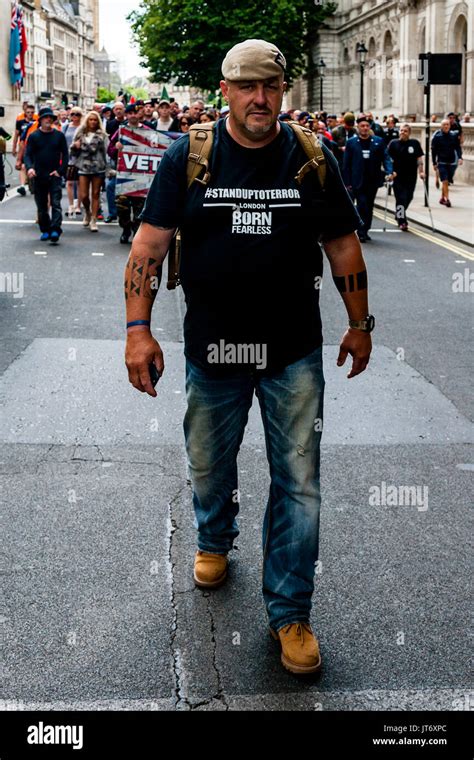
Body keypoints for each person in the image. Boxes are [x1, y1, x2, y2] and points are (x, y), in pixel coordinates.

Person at [124, 39, 373, 676]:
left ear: (282, 90)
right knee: (208, 463)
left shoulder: (311, 158)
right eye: (246, 86)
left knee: (300, 484)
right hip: (214, 351)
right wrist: (137, 331)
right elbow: (149, 247)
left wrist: (358, 324)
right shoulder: (190, 156)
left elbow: (342, 247)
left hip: (291, 353)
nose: (259, 98)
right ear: (226, 89)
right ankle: (214, 535)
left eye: (270, 86)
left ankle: (290, 612)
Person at [343, 114, 394, 242]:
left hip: (372, 180)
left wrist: (389, 171)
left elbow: (386, 158)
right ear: (358, 127)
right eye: (362, 126)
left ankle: (366, 229)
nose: (365, 128)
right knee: (362, 205)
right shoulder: (351, 143)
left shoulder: (378, 141)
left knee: (369, 206)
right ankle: (361, 231)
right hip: (357, 181)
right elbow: (346, 164)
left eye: (367, 126)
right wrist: (346, 182)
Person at [24, 107, 69, 244]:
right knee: (42, 206)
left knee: (56, 203)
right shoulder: (34, 136)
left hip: (54, 175)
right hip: (39, 175)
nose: (49, 120)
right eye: (46, 117)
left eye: (51, 118)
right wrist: (30, 168)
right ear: (41, 120)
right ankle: (45, 229)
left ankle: (55, 229)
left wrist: (60, 171)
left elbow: (65, 155)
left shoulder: (59, 136)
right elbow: (28, 155)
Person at [113, 103, 151, 244]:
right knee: (121, 206)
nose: (133, 116)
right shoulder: (121, 131)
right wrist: (116, 148)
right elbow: (110, 149)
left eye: (136, 113)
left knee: (139, 206)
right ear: (127, 115)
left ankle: (136, 232)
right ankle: (125, 228)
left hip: (142, 175)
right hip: (124, 175)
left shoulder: (148, 130)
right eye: (130, 113)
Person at [71, 111, 108, 232]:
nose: (93, 122)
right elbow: (72, 151)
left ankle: (94, 219)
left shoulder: (102, 135)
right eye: (90, 119)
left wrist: (107, 167)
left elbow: (105, 152)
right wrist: (74, 146)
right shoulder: (80, 133)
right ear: (87, 121)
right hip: (84, 167)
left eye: (95, 120)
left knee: (96, 193)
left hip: (98, 167)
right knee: (84, 195)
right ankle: (87, 211)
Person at [387, 123, 424, 231]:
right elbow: (387, 159)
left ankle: (399, 214)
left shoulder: (415, 143)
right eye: (401, 130)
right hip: (397, 176)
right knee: (400, 198)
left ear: (409, 133)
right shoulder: (393, 143)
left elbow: (419, 159)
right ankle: (402, 221)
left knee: (409, 197)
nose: (402, 132)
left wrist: (421, 172)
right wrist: (389, 172)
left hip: (411, 176)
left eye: (405, 131)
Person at [431, 118, 463, 207]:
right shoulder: (437, 137)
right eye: (444, 125)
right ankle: (447, 199)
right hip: (441, 162)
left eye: (447, 124)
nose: (446, 126)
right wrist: (434, 163)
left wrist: (460, 157)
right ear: (441, 126)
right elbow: (433, 151)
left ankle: (442, 198)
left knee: (446, 181)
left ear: (449, 126)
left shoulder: (453, 136)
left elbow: (458, 147)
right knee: (445, 181)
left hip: (451, 162)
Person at [62, 107, 83, 217]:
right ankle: (71, 205)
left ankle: (78, 205)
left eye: (77, 114)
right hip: (68, 158)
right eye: (72, 114)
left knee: (79, 183)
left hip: (81, 158)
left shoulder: (83, 128)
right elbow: (61, 142)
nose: (74, 116)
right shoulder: (65, 127)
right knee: (69, 182)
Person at [12, 103, 36, 196]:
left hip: (34, 149)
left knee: (32, 167)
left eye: (32, 112)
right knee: (22, 166)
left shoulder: (36, 122)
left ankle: (31, 183)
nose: (30, 114)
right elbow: (16, 136)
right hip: (23, 147)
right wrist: (14, 148)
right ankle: (22, 186)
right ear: (25, 113)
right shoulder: (20, 122)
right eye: (28, 112)